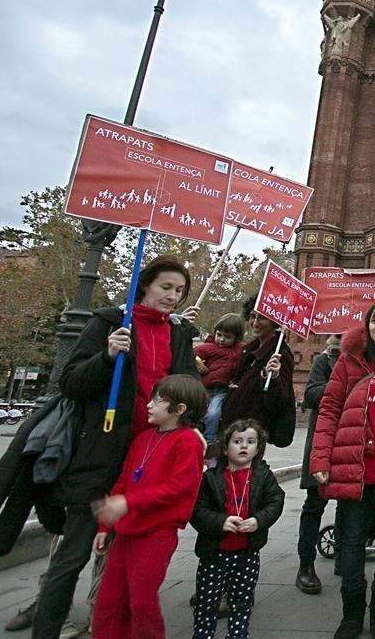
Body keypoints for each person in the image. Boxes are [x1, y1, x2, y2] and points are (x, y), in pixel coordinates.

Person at [33, 255, 200, 639]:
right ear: (144, 285)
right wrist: (107, 356)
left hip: (147, 457)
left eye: (179, 291)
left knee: (121, 564)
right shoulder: (109, 322)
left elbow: (190, 390)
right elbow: (71, 383)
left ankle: (102, 624)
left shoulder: (178, 334)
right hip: (99, 456)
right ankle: (45, 627)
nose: (172, 297)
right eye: (166, 288)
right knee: (72, 555)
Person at [309, 300, 375, 639]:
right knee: (351, 544)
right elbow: (328, 411)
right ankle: (351, 614)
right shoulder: (348, 361)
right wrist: (319, 460)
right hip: (354, 472)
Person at [89, 374, 207, 639]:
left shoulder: (187, 441)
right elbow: (122, 482)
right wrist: (105, 525)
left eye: (158, 399)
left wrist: (128, 503)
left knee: (142, 602)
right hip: (125, 532)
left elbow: (179, 487)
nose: (150, 404)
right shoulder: (143, 438)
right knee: (108, 600)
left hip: (156, 534)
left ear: (179, 409)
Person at [191, 419, 285, 639]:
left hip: (247, 553)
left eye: (251, 442)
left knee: (241, 603)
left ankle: (238, 635)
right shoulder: (211, 478)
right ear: (225, 448)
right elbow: (197, 509)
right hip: (214, 553)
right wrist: (220, 522)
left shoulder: (262, 475)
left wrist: (259, 521)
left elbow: (276, 501)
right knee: (207, 603)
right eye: (238, 441)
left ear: (258, 448)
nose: (244, 446)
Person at [296, 334, 342, 595]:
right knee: (314, 504)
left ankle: (343, 557)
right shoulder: (324, 361)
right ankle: (305, 565)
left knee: (348, 506)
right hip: (323, 441)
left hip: (350, 440)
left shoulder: (363, 360)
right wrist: (341, 383)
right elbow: (311, 395)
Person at [219, 298, 296, 449]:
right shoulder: (248, 349)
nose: (255, 322)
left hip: (250, 435)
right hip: (231, 429)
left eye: (262, 318)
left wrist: (272, 378)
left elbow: (278, 401)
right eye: (252, 316)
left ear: (274, 321)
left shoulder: (280, 354)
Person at [195, 313, 245, 443]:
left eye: (227, 337)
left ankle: (209, 440)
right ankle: (196, 434)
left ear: (237, 337)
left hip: (221, 390)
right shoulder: (210, 347)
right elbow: (195, 353)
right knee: (198, 412)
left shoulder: (240, 351)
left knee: (213, 413)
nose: (221, 340)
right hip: (204, 387)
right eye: (219, 335)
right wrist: (199, 364)